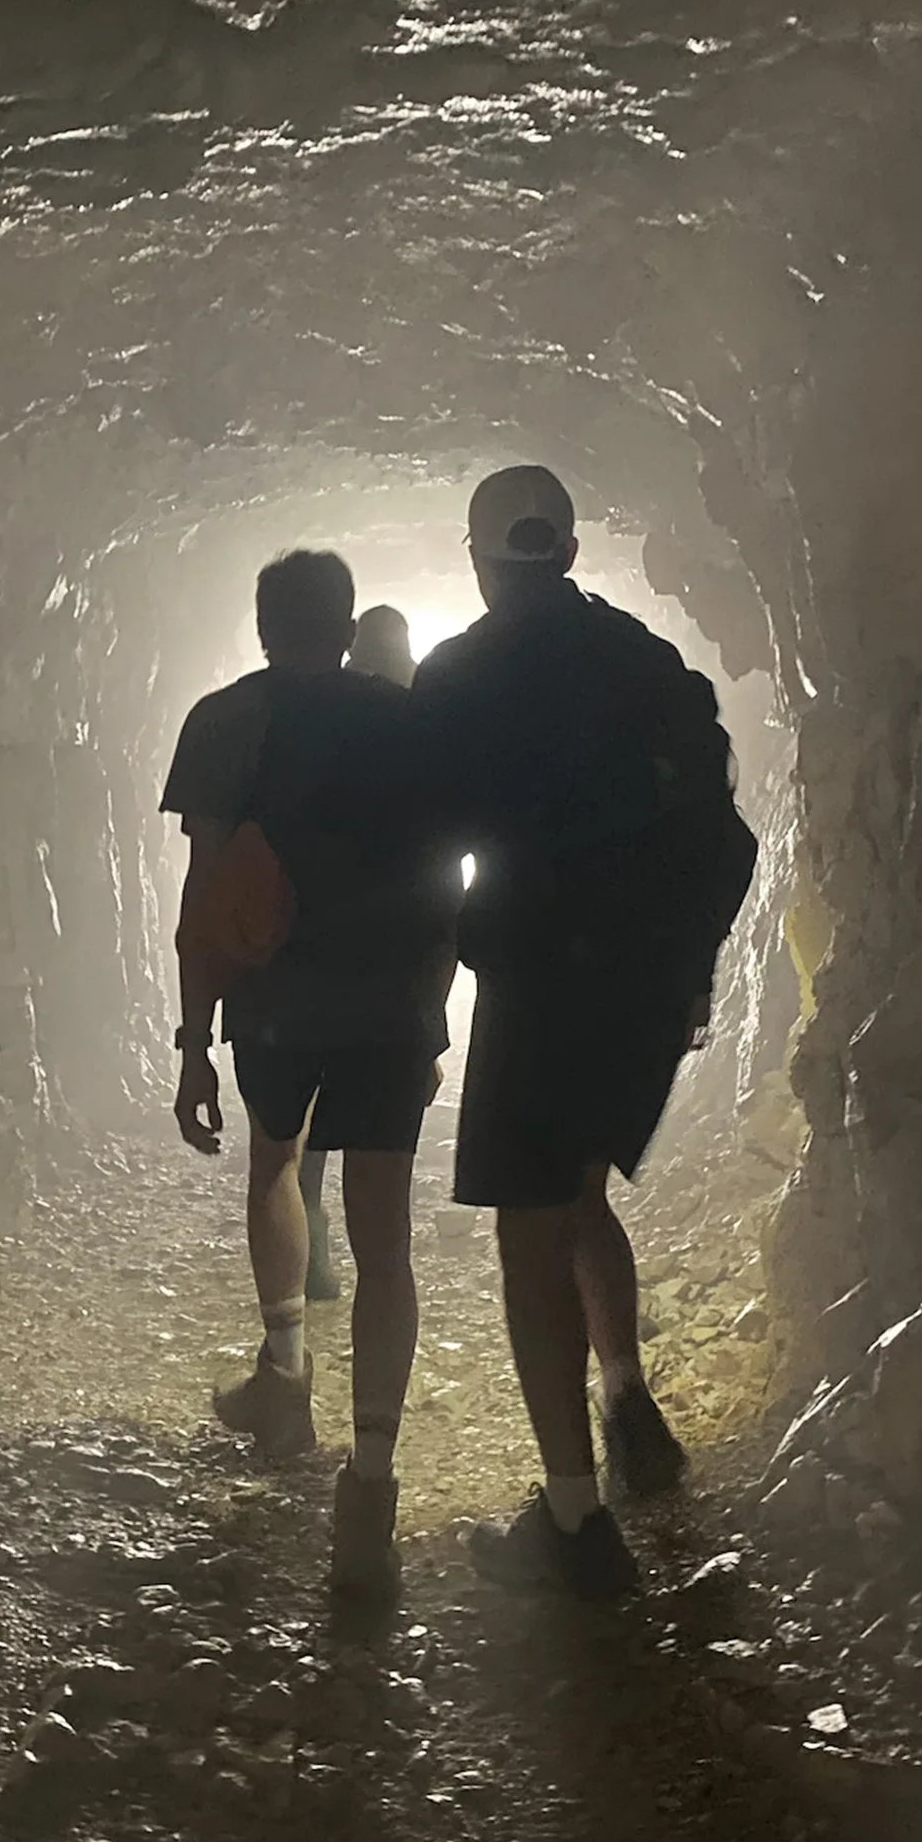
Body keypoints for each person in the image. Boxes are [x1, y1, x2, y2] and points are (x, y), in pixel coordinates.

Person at [411, 467, 756, 1599]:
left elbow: (431, 846)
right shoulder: (645, 661)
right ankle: (626, 1402)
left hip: (538, 984)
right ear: (565, 550)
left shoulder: (460, 675)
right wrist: (689, 973)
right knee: (579, 1194)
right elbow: (723, 838)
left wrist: (425, 984)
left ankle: (573, 1514)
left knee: (529, 1231)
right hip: (638, 988)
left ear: (478, 558)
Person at [162, 553, 456, 1600]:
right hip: (386, 1006)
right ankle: (369, 1482)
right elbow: (447, 876)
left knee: (275, 1164)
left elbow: (206, 894)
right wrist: (432, 1013)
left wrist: (194, 1040)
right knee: (383, 1237)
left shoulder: (223, 722)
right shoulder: (410, 725)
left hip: (276, 1002)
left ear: (262, 624)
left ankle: (285, 1374)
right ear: (343, 625)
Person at [300, 602, 422, 1306]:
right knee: (379, 1142)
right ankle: (376, 1273)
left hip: (318, 955)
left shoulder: (321, 719)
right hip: (391, 974)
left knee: (312, 1116)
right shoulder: (420, 727)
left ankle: (311, 1242)